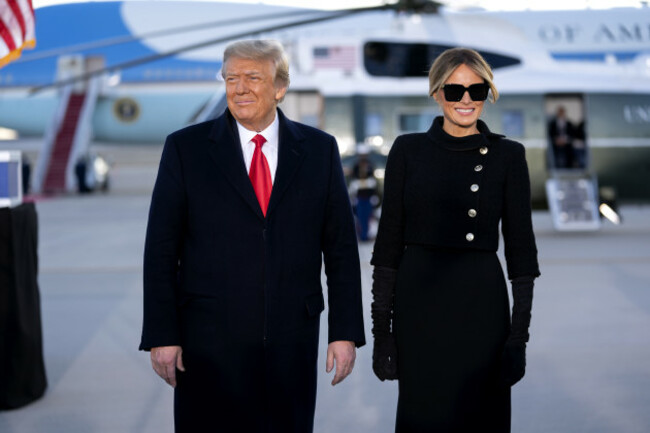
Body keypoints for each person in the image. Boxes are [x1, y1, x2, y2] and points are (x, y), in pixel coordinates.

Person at [139, 39, 365, 433]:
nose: (239, 88)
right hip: (207, 345)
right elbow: (160, 250)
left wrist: (344, 331)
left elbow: (342, 250)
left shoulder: (319, 151)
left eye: (252, 77)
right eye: (230, 78)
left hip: (291, 343)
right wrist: (162, 334)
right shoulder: (185, 149)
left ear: (280, 87)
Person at [370, 47, 540, 432]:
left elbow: (521, 252)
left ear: (487, 94)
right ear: (436, 93)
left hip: (481, 306)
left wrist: (518, 338)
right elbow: (387, 248)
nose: (466, 100)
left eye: (476, 91)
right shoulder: (407, 150)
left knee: (481, 417)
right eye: (455, 90)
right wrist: (383, 334)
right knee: (424, 417)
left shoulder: (508, 155)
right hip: (419, 306)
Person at [349, 145, 378, 241]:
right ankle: (362, 235)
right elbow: (353, 180)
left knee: (369, 216)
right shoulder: (356, 166)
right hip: (359, 196)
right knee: (360, 217)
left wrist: (375, 194)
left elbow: (373, 180)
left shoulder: (370, 165)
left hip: (368, 196)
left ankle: (367, 234)